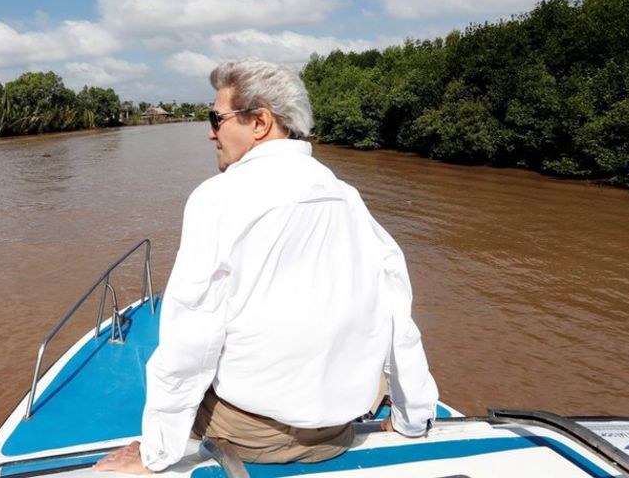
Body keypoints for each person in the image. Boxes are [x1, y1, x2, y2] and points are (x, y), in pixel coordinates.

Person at [95, 60, 439, 473]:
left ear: (259, 122)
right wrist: (411, 419)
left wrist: (154, 454)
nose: (210, 132)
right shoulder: (345, 194)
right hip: (337, 430)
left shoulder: (218, 197)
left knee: (183, 350)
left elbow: (193, 336)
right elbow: (397, 313)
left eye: (216, 118)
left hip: (254, 438)